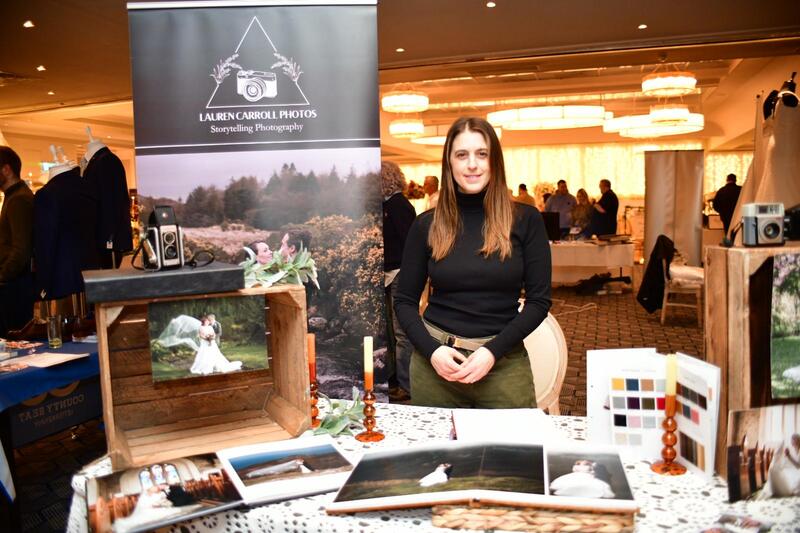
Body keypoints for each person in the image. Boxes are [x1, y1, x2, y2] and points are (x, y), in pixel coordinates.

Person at [394, 117, 551, 409]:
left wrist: (491, 352)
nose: (472, 165)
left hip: (502, 363)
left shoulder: (526, 220)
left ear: (495, 161)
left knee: (515, 441)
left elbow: (539, 302)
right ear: (449, 163)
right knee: (435, 442)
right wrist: (432, 351)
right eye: (461, 155)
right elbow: (404, 301)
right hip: (436, 366)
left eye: (482, 154)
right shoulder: (426, 224)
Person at [382, 161, 416, 402]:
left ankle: (407, 385)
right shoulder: (387, 205)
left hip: (400, 274)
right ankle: (395, 381)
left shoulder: (399, 205)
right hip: (389, 274)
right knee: (392, 332)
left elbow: (410, 244)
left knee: (402, 332)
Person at [0, 146, 35, 336]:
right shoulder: (14, 196)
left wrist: (2, 276)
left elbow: (21, 249)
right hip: (15, 283)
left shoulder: (18, 199)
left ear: (6, 169)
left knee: (14, 340)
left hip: (15, 285)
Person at [549, 459, 615, 499]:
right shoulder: (563, 480)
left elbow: (609, 495)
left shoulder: (600, 484)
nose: (579, 465)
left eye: (586, 464)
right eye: (578, 464)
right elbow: (553, 488)